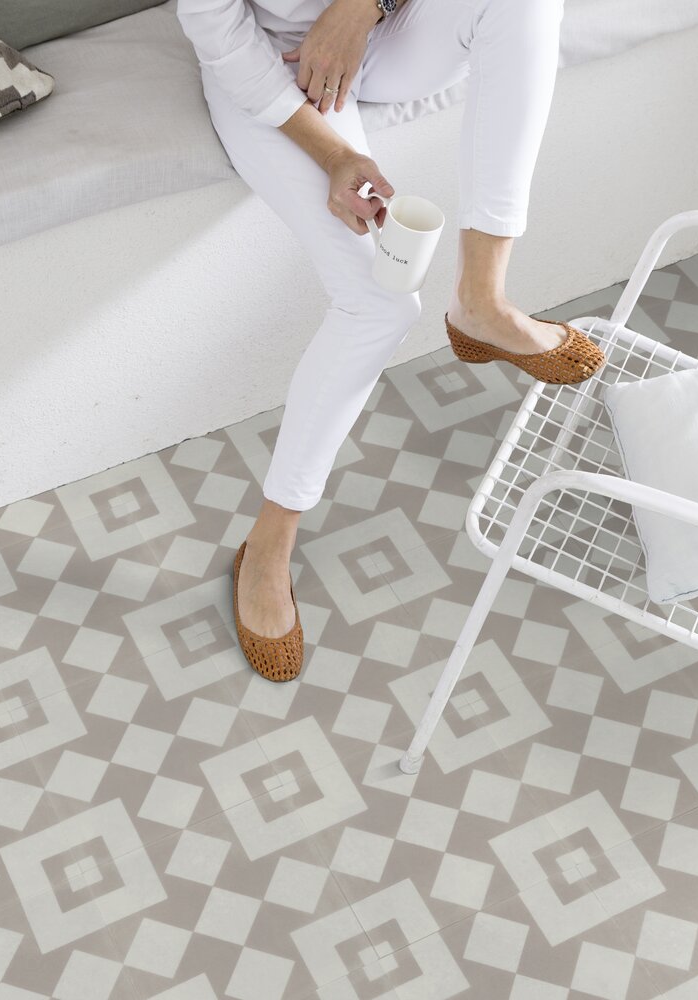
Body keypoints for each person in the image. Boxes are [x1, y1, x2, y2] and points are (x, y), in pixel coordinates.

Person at [178, 0, 604, 681]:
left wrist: (360, 8)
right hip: (270, 63)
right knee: (379, 302)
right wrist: (337, 153)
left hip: (385, 26)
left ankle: (482, 300)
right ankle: (269, 543)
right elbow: (221, 38)